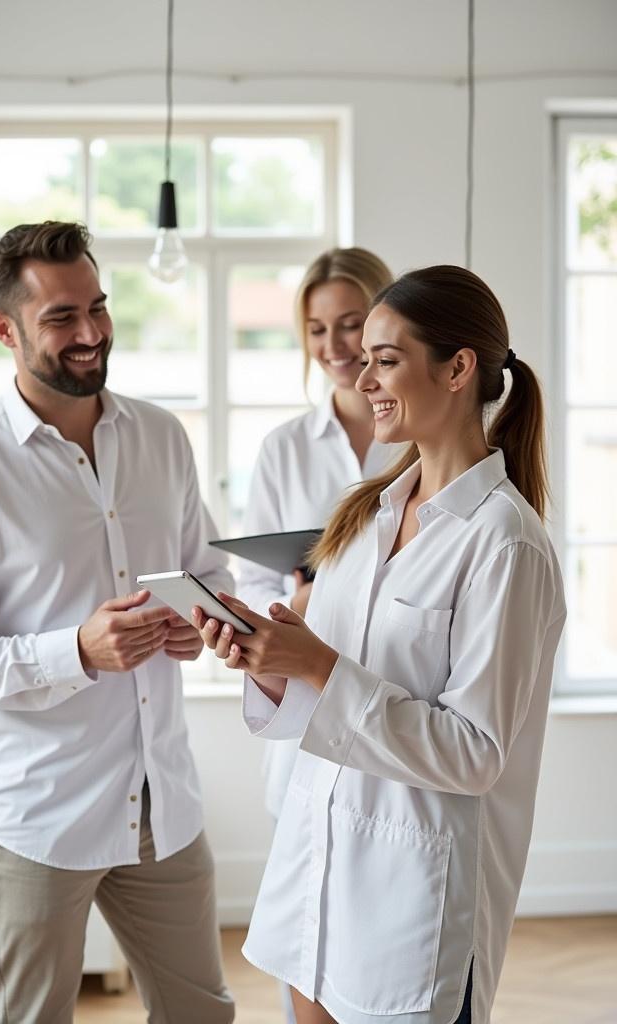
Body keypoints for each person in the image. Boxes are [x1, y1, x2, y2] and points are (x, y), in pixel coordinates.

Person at [194, 265, 566, 1024]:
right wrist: (271, 662)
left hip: (412, 906)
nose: (362, 379)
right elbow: (320, 702)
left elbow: (473, 754)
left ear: (458, 369)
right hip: (314, 880)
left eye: (385, 359)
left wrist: (317, 664)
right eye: (362, 359)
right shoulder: (365, 516)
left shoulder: (505, 545)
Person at [0, 221, 235, 1024]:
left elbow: (209, 570)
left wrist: (202, 619)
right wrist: (75, 652)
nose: (90, 334)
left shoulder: (162, 436)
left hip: (164, 804)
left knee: (203, 1016)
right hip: (36, 820)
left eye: (98, 307)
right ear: (4, 329)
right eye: (60, 318)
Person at [237, 248, 402, 1024]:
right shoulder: (283, 449)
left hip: (398, 703)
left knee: (389, 941)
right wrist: (291, 602)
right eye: (315, 329)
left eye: (350, 325)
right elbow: (255, 585)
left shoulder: (424, 435)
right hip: (306, 713)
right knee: (310, 932)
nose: (335, 347)